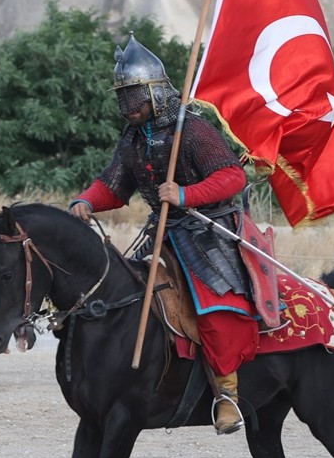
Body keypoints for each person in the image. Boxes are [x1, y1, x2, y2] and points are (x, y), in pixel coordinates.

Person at [69, 35, 264, 435]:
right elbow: (113, 185)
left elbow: (232, 176)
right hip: (163, 232)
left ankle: (227, 395)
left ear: (156, 92)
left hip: (209, 232)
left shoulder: (191, 130)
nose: (127, 105)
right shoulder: (132, 138)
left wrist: (185, 193)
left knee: (212, 306)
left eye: (134, 95)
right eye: (123, 96)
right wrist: (86, 201)